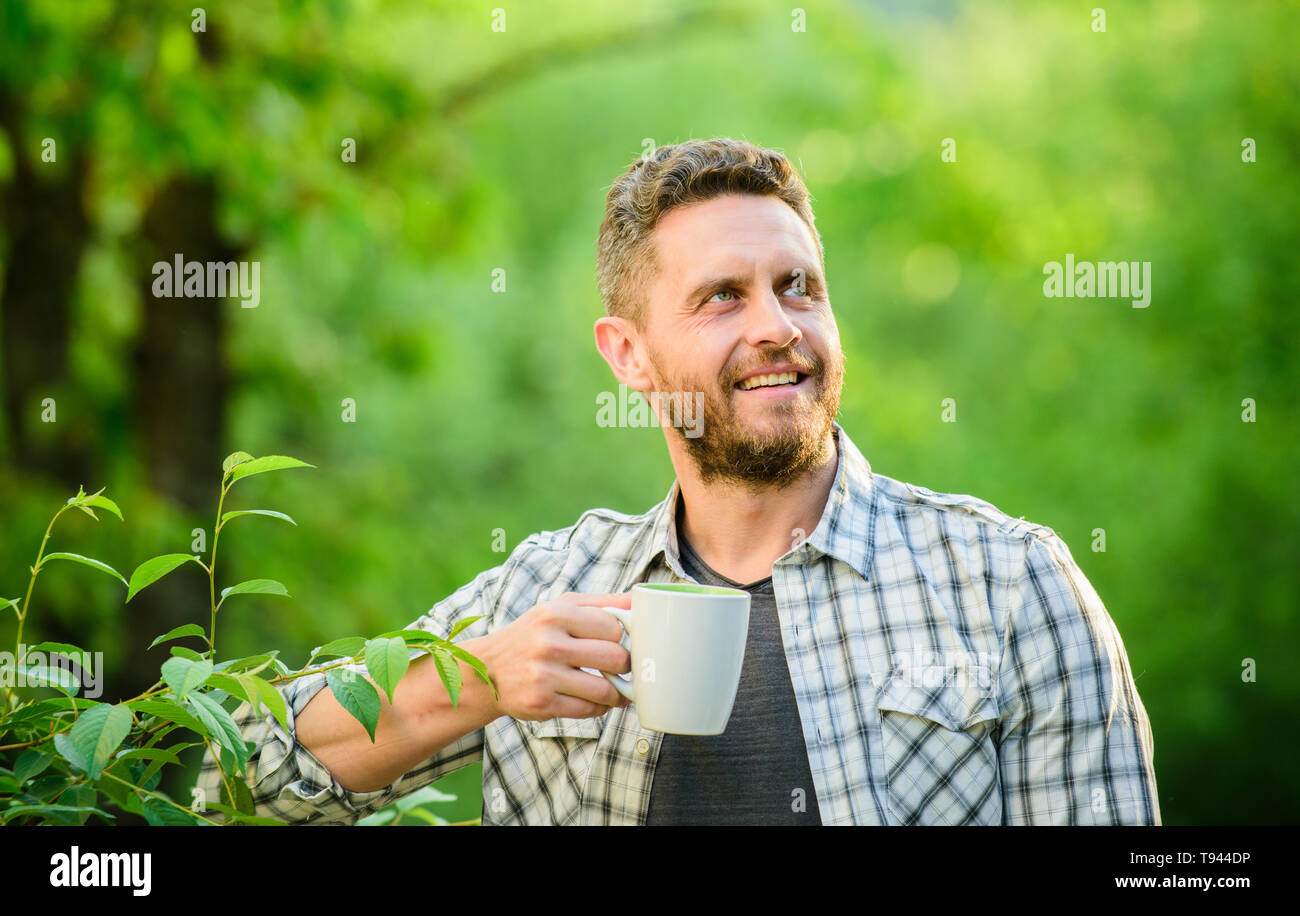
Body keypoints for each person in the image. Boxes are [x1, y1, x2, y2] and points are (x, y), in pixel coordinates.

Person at [195, 137, 1161, 826]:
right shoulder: (550, 590)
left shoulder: (1008, 583)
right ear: (630, 355)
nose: (778, 326)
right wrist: (484, 679)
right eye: (721, 298)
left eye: (799, 287)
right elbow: (238, 773)